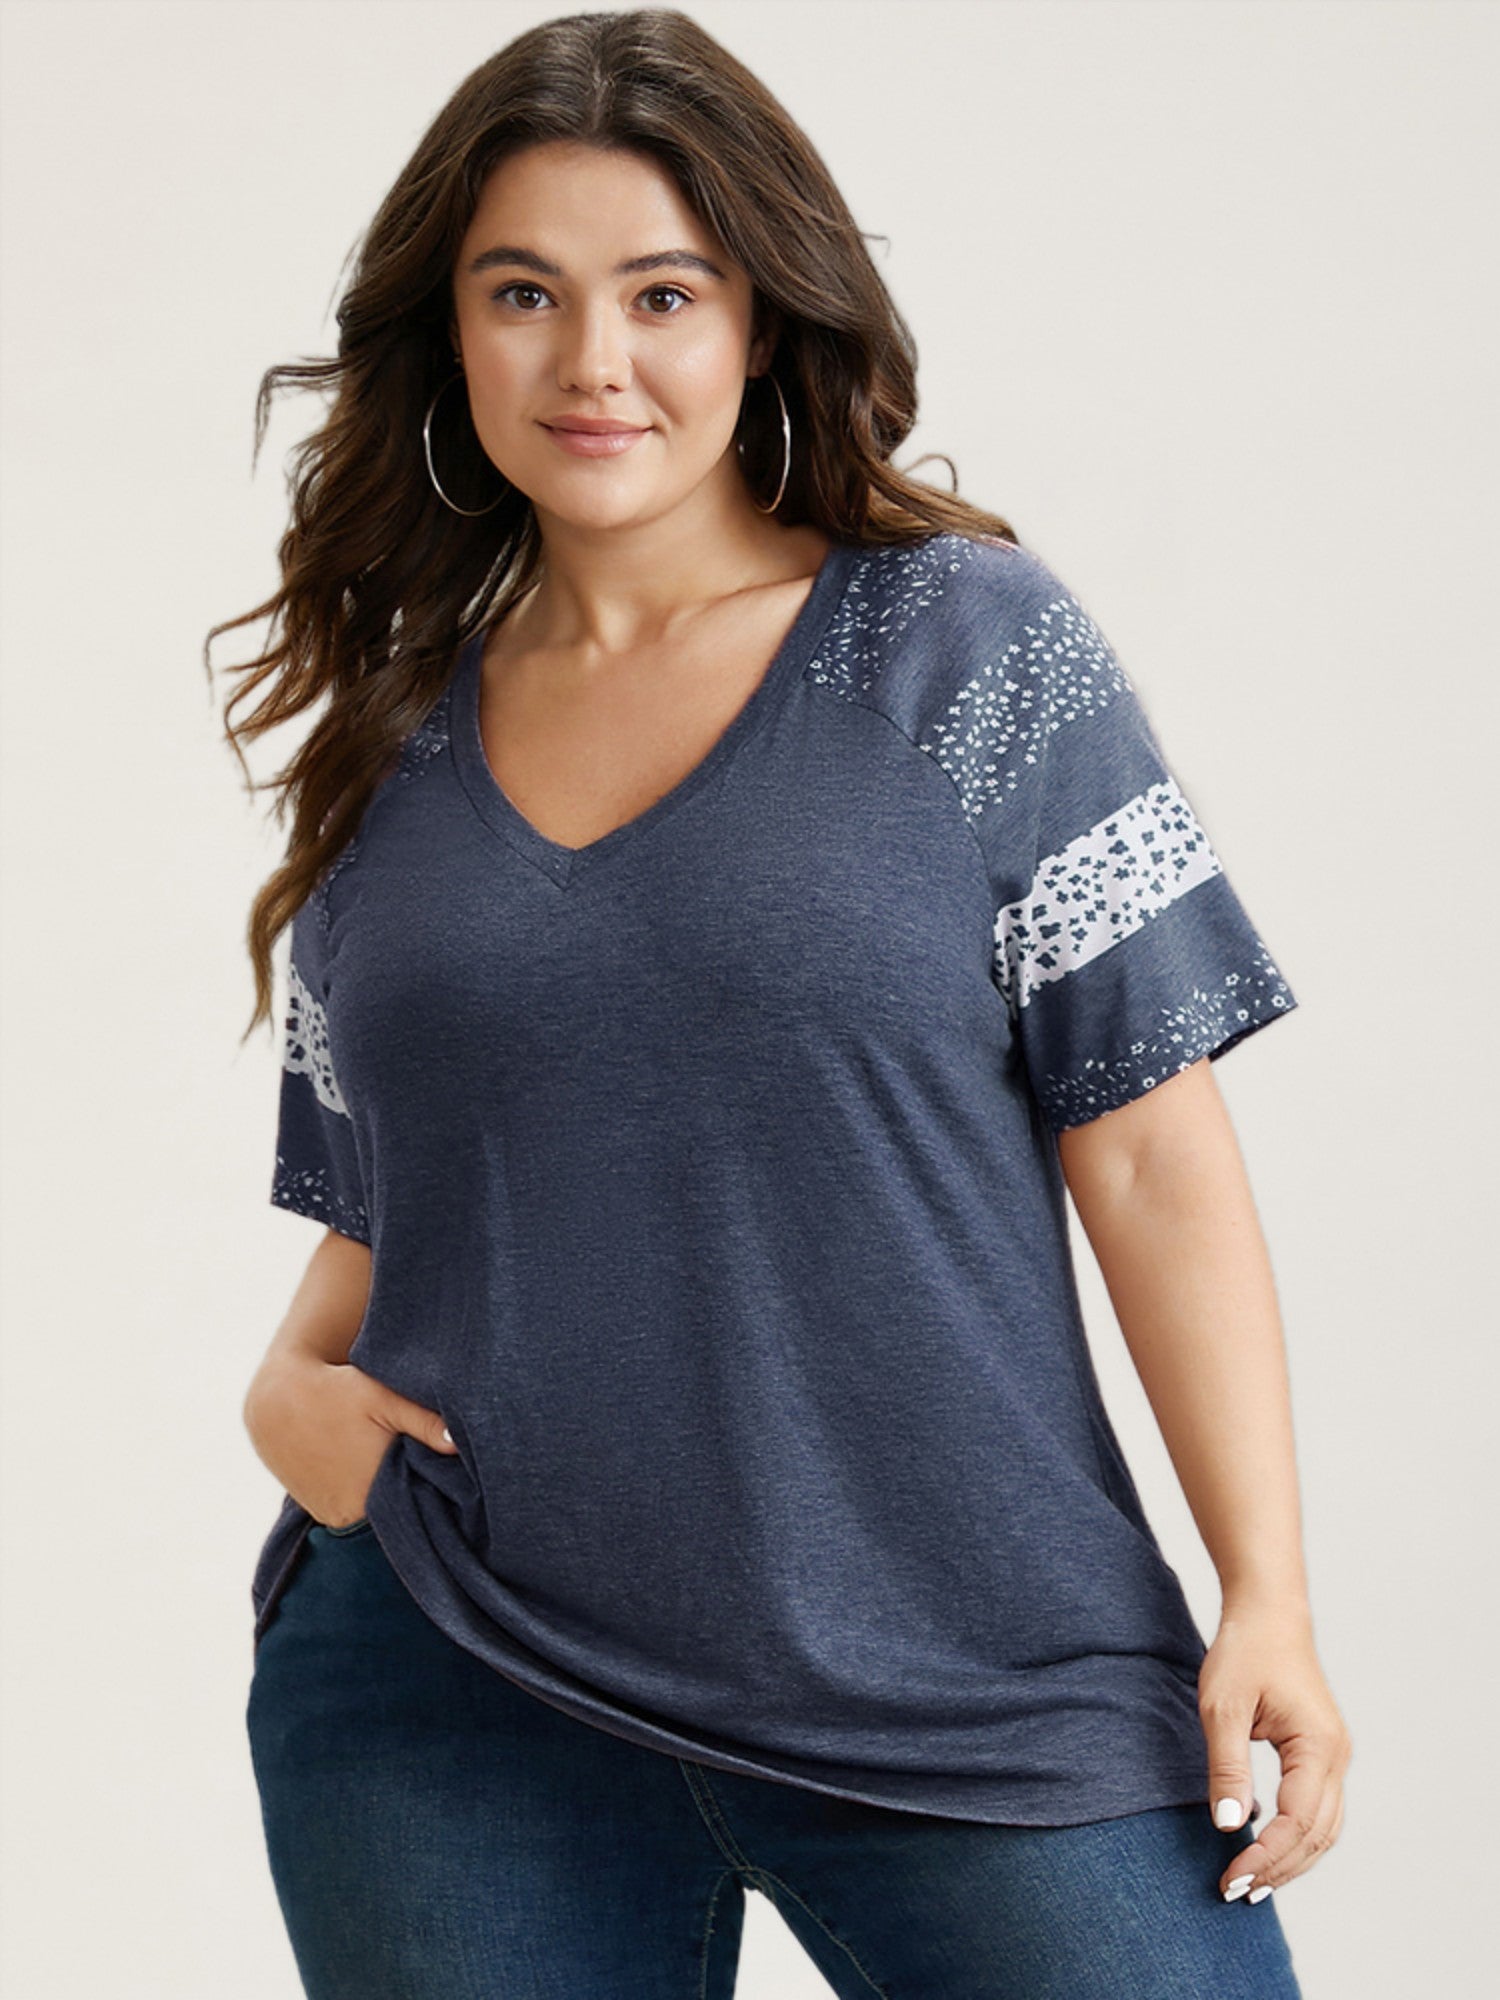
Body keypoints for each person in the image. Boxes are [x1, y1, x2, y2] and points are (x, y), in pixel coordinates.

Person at [218, 10, 1349, 1996]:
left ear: (762, 319)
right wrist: (285, 1395)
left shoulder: (967, 650)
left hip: (972, 1678)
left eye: (663, 293)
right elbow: (397, 1210)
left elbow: (1153, 1150)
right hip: (451, 1693)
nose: (594, 360)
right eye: (523, 294)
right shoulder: (394, 746)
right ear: (448, 335)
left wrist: (1267, 1587)